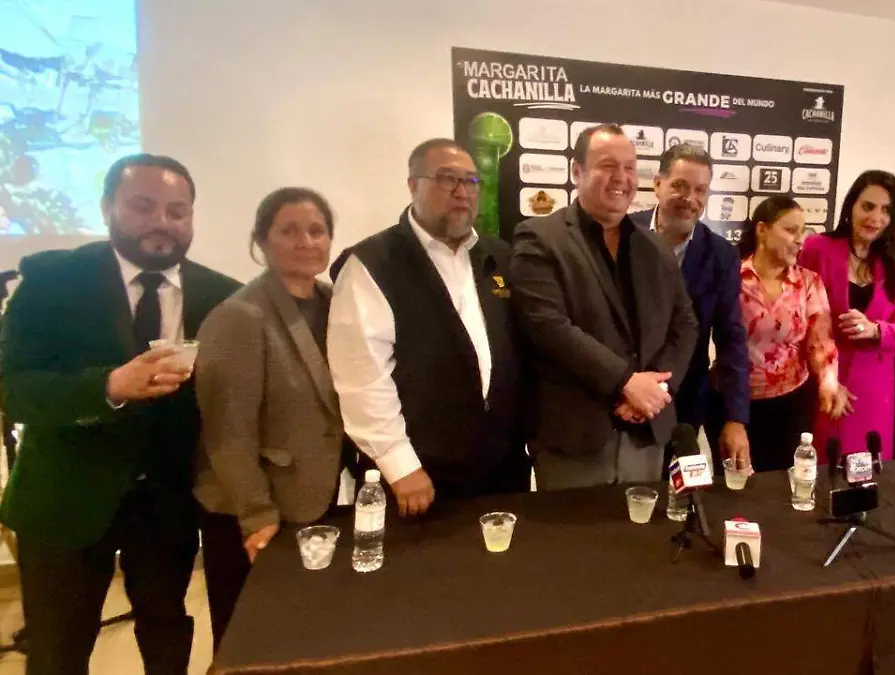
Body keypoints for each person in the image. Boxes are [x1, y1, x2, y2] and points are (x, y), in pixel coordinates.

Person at [0, 154, 239, 675]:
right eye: (143, 206)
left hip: (167, 504)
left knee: (168, 632)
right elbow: (13, 390)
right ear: (107, 207)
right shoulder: (52, 279)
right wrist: (109, 387)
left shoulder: (223, 296)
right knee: (58, 650)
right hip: (65, 499)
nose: (161, 222)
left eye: (177, 210)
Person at [327, 138, 530, 517]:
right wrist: (399, 464)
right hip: (420, 478)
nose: (462, 192)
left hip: (500, 470)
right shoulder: (373, 264)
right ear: (413, 185)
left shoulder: (497, 256)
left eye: (471, 181)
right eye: (447, 179)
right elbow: (362, 377)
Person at [193, 187, 351, 650]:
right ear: (261, 241)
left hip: (315, 497)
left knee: (303, 629)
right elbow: (227, 431)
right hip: (253, 510)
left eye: (317, 231)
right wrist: (256, 514)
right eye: (289, 231)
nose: (306, 241)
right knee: (250, 641)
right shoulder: (239, 316)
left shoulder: (334, 302)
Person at [510, 123, 698, 489]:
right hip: (575, 439)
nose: (621, 178)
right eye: (608, 165)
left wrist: (654, 391)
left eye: (629, 167)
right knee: (576, 529)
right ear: (577, 171)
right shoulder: (539, 239)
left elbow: (685, 324)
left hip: (646, 433)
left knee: (640, 527)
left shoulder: (656, 248)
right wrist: (626, 382)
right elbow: (549, 327)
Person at [629, 144, 750, 472]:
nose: (690, 198)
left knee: (672, 493)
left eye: (700, 190)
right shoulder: (621, 234)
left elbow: (731, 338)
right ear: (657, 184)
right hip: (623, 397)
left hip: (683, 403)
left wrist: (736, 418)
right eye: (680, 186)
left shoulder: (721, 255)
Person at [799, 170, 895, 461]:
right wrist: (826, 378)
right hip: (823, 382)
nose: (876, 218)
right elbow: (799, 316)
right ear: (851, 206)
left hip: (874, 390)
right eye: (868, 206)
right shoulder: (818, 248)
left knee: (867, 469)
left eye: (886, 210)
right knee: (819, 467)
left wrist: (876, 330)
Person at [735, 196, 844, 472]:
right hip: (736, 405)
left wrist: (829, 382)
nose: (799, 240)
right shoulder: (732, 278)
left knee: (784, 486)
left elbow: (821, 341)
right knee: (737, 485)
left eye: (802, 232)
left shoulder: (808, 281)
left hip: (791, 403)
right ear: (762, 230)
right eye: (790, 230)